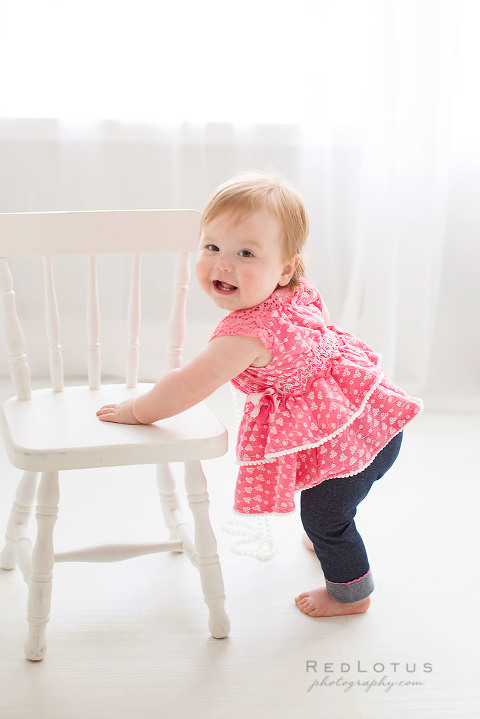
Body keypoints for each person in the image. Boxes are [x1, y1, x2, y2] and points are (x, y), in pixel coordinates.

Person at [97, 171, 422, 618]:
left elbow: (188, 385)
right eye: (212, 247)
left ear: (284, 266)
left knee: (326, 517)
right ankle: (331, 526)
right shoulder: (299, 292)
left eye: (246, 253)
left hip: (354, 440)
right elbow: (324, 325)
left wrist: (136, 409)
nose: (223, 264)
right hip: (374, 417)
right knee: (332, 506)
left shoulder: (245, 336)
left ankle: (352, 594)